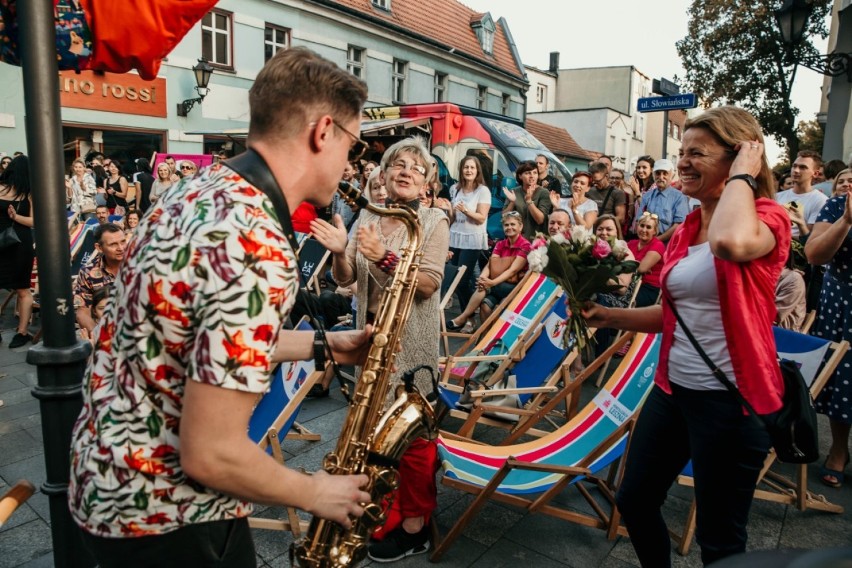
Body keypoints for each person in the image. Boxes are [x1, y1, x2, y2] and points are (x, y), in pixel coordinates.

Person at [68, 47, 373, 567]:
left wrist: (324, 345)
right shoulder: (256, 241)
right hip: (168, 515)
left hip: (105, 484)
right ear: (323, 132)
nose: (352, 161)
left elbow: (195, 337)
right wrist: (318, 492)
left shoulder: (194, 190)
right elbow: (212, 453)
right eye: (355, 144)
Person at [583, 106, 790, 567]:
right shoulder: (686, 230)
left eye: (698, 153)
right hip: (672, 392)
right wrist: (607, 317)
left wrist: (743, 175)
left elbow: (731, 244)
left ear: (739, 157)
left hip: (730, 403)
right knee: (634, 501)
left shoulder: (768, 219)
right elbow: (673, 315)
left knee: (720, 541)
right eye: (681, 152)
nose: (682, 162)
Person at [312, 136, 449, 562]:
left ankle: (415, 527)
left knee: (412, 441)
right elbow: (346, 277)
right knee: (372, 437)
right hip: (370, 342)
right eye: (397, 165)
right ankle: (383, 512)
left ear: (426, 181)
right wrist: (338, 252)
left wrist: (384, 258)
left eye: (415, 167)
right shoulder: (369, 215)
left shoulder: (432, 221)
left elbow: (428, 286)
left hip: (411, 346)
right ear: (384, 176)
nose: (406, 170)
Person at [804, 178, 852, 489]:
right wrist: (847, 220)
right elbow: (814, 254)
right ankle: (838, 449)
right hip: (844, 300)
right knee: (842, 376)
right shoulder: (837, 205)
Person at [447, 211, 530, 332]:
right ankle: (486, 337)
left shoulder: (525, 245)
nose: (509, 227)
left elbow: (513, 270)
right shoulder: (501, 244)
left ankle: (464, 317)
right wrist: (483, 278)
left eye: (513, 224)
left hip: (514, 287)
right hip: (497, 284)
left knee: (484, 287)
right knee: (485, 305)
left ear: (520, 226)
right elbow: (490, 265)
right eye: (506, 225)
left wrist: (491, 283)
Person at [441, 155, 491, 313]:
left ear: (477, 171)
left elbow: (481, 219)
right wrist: (449, 210)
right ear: (461, 170)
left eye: (472, 167)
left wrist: (466, 210)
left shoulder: (482, 191)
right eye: (466, 167)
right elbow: (453, 218)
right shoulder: (454, 189)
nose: (469, 170)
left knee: (461, 280)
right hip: (455, 237)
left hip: (472, 239)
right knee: (456, 280)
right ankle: (468, 313)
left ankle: (468, 315)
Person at [0, 155, 35, 349]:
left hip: (19, 243)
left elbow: (35, 221)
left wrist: (16, 216)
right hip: (12, 243)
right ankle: (20, 332)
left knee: (22, 287)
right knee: (23, 289)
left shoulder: (29, 194)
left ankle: (22, 332)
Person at [73, 223, 126, 335]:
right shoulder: (88, 273)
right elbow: (83, 312)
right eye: (113, 244)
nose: (121, 248)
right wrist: (102, 338)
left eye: (123, 242)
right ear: (99, 248)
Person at [775, 151, 828, 240]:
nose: (796, 170)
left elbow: (810, 237)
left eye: (803, 167)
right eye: (794, 166)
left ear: (815, 173)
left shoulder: (821, 201)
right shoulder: (776, 196)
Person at [636, 158, 689, 243]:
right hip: (646, 241)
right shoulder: (647, 196)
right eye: (658, 173)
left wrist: (656, 241)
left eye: (665, 173)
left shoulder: (680, 197)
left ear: (672, 175)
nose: (661, 177)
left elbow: (679, 225)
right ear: (653, 175)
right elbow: (638, 220)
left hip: (668, 244)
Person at [502, 160, 552, 239]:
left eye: (535, 173)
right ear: (520, 176)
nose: (532, 176)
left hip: (536, 241)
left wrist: (529, 201)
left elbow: (540, 220)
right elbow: (504, 217)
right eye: (528, 173)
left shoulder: (544, 193)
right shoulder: (514, 191)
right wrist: (512, 202)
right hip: (516, 240)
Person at [627, 211, 665, 307]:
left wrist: (632, 265)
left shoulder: (658, 245)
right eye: (642, 225)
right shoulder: (631, 243)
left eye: (648, 227)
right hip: (628, 283)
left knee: (622, 302)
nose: (644, 230)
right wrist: (637, 264)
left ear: (655, 231)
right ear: (637, 227)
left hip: (648, 288)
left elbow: (641, 269)